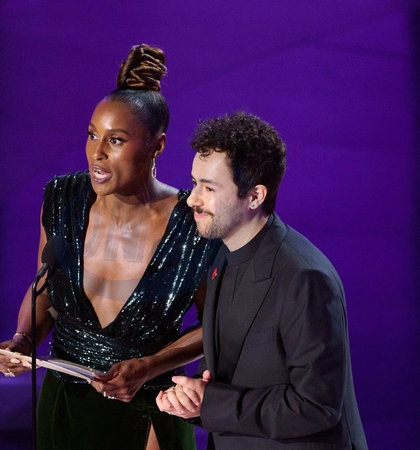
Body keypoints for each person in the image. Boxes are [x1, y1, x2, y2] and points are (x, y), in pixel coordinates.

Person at [0, 44, 219, 450]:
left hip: (149, 404)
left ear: (157, 145)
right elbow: (46, 287)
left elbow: (215, 325)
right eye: (92, 135)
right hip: (66, 403)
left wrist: (148, 367)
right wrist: (23, 340)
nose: (97, 153)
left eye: (116, 140)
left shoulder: (192, 221)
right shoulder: (63, 199)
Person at [156, 112, 368, 449]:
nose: (193, 198)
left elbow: (317, 406)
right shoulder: (221, 257)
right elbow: (226, 376)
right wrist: (193, 397)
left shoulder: (305, 278)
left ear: (255, 196)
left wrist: (211, 403)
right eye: (195, 183)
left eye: (208, 188)